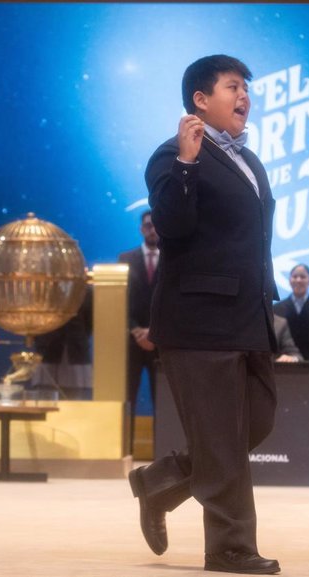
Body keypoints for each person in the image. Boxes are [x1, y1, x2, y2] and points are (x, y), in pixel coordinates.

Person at [128, 55, 280, 575]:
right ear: (200, 99)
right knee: (220, 437)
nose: (245, 97)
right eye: (233, 87)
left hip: (250, 318)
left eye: (246, 89)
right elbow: (171, 225)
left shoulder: (249, 160)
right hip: (198, 321)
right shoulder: (171, 154)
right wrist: (187, 165)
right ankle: (231, 547)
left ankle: (160, 483)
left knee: (253, 423)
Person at [118, 209, 159, 453]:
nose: (152, 229)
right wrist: (135, 330)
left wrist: (155, 332)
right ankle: (125, 452)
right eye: (148, 225)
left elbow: (174, 301)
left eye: (156, 225)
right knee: (127, 399)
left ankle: (161, 454)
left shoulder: (174, 258)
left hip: (161, 343)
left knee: (162, 401)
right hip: (130, 344)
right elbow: (118, 301)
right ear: (141, 229)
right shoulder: (125, 259)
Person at [32, 288, 93, 400]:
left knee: (75, 402)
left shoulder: (86, 292)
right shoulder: (42, 289)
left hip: (76, 352)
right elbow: (34, 319)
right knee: (45, 399)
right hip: (47, 351)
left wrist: (78, 336)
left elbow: (90, 323)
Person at [274, 264, 309, 361]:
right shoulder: (277, 309)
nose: (298, 280)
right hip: (284, 364)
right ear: (289, 280)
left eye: (303, 277)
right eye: (294, 276)